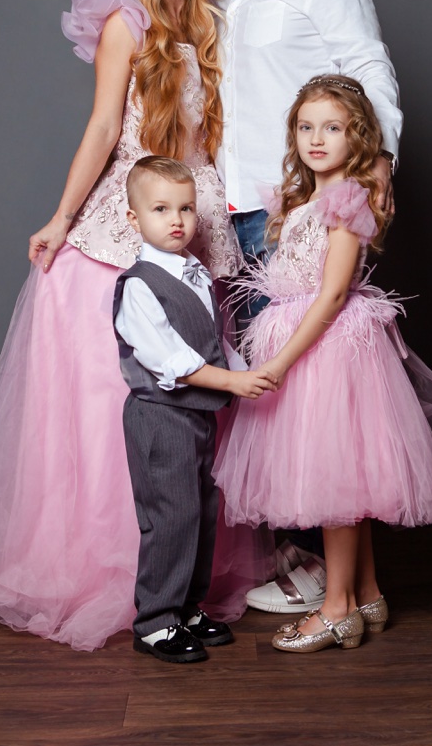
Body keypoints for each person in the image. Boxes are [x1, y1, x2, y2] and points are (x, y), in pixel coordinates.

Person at [0, 0, 272, 651]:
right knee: (118, 402)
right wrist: (60, 216)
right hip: (130, 214)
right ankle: (118, 581)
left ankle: (187, 588)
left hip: (196, 214)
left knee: (198, 411)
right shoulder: (128, 26)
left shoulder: (213, 22)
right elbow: (107, 126)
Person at [194, 0, 404, 610]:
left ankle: (332, 586)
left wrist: (375, 169)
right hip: (231, 214)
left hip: (299, 212)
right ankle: (299, 562)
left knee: (316, 392)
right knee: (264, 395)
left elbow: (370, 72)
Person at [212, 75, 432, 653]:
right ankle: (366, 593)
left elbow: (332, 294)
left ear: (359, 137)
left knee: (335, 481)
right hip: (312, 346)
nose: (316, 139)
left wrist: (281, 362)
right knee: (344, 479)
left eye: (333, 128)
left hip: (327, 351)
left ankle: (337, 609)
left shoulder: (347, 200)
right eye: (306, 127)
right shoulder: (304, 199)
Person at [113, 157, 277, 663]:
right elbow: (173, 361)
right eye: (161, 209)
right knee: (170, 517)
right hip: (160, 417)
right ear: (134, 218)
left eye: (185, 208)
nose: (177, 220)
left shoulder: (195, 273)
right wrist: (233, 381)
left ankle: (187, 607)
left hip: (198, 416)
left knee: (203, 513)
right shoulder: (139, 285)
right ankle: (155, 620)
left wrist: (245, 371)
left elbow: (212, 343)